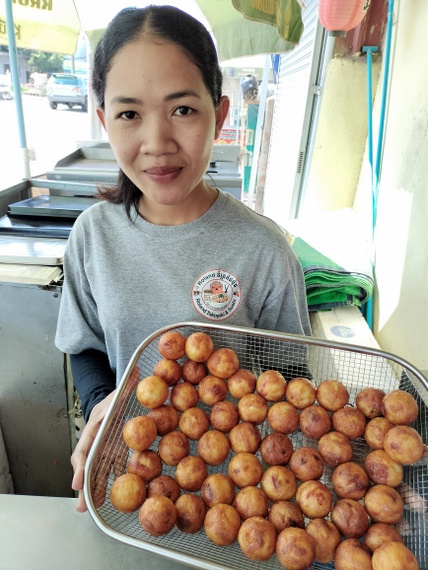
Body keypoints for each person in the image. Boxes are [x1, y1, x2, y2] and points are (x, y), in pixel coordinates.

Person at [55, 5, 311, 512]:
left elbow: (293, 375)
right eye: (129, 114)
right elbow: (82, 347)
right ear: (104, 120)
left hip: (242, 499)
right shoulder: (93, 235)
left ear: (220, 114)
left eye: (183, 109)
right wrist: (105, 400)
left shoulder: (262, 250)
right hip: (129, 481)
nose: (157, 143)